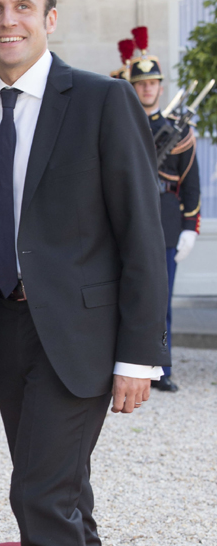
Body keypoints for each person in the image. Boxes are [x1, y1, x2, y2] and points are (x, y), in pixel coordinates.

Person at [0, 0, 169, 545]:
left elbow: (142, 234)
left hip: (80, 334)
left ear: (50, 19)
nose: (8, 20)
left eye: (23, 6)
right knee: (63, 493)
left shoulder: (103, 100)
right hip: (6, 326)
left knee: (38, 494)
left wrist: (139, 356)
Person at [129, 31, 201, 393]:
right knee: (128, 298)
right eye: (141, 83)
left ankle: (162, 368)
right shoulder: (123, 125)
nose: (147, 89)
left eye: (152, 83)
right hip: (128, 223)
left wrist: (190, 227)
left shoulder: (177, 131)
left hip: (166, 222)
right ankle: (128, 365)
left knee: (162, 299)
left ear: (160, 86)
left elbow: (191, 183)